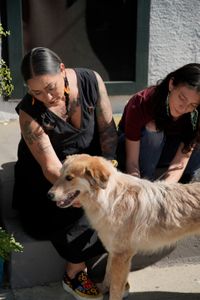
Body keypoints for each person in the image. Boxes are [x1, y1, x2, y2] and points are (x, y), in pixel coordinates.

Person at [13, 47, 118, 300]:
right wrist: (88, 198)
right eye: (36, 91)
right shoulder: (29, 113)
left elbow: (108, 132)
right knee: (80, 213)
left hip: (88, 170)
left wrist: (108, 170)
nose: (47, 97)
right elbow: (51, 169)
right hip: (49, 182)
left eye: (50, 87)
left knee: (117, 207)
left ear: (62, 70)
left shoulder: (91, 80)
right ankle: (74, 272)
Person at [117, 63, 200, 183]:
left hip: (167, 150)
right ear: (171, 84)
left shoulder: (195, 115)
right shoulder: (142, 102)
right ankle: (147, 179)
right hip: (133, 149)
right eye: (182, 98)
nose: (183, 108)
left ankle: (184, 180)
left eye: (193, 105)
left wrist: (164, 190)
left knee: (197, 139)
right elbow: (132, 162)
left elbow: (179, 163)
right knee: (153, 128)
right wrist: (140, 187)